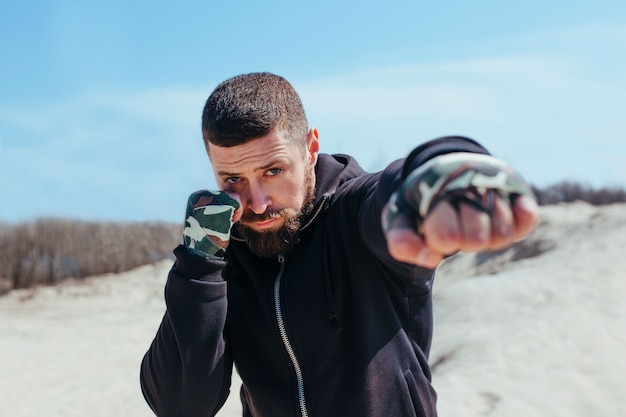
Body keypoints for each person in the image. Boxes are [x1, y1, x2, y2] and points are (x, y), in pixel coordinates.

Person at [140, 72, 539, 417]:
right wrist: (198, 264)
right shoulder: (225, 257)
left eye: (273, 171)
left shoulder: (354, 213)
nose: (257, 202)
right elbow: (180, 405)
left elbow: (391, 194)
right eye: (233, 179)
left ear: (311, 148)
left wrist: (442, 176)